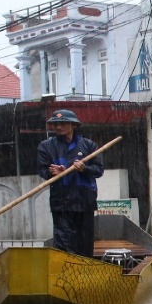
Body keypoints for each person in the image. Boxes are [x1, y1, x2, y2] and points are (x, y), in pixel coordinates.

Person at [37, 109, 103, 257]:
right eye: (55, 124)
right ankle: (66, 276)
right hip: (62, 204)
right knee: (64, 245)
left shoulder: (89, 145)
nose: (58, 127)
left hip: (85, 202)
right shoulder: (46, 147)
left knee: (85, 245)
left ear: (73, 125)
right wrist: (55, 172)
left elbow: (99, 170)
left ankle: (84, 276)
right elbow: (43, 171)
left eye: (63, 123)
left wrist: (84, 168)